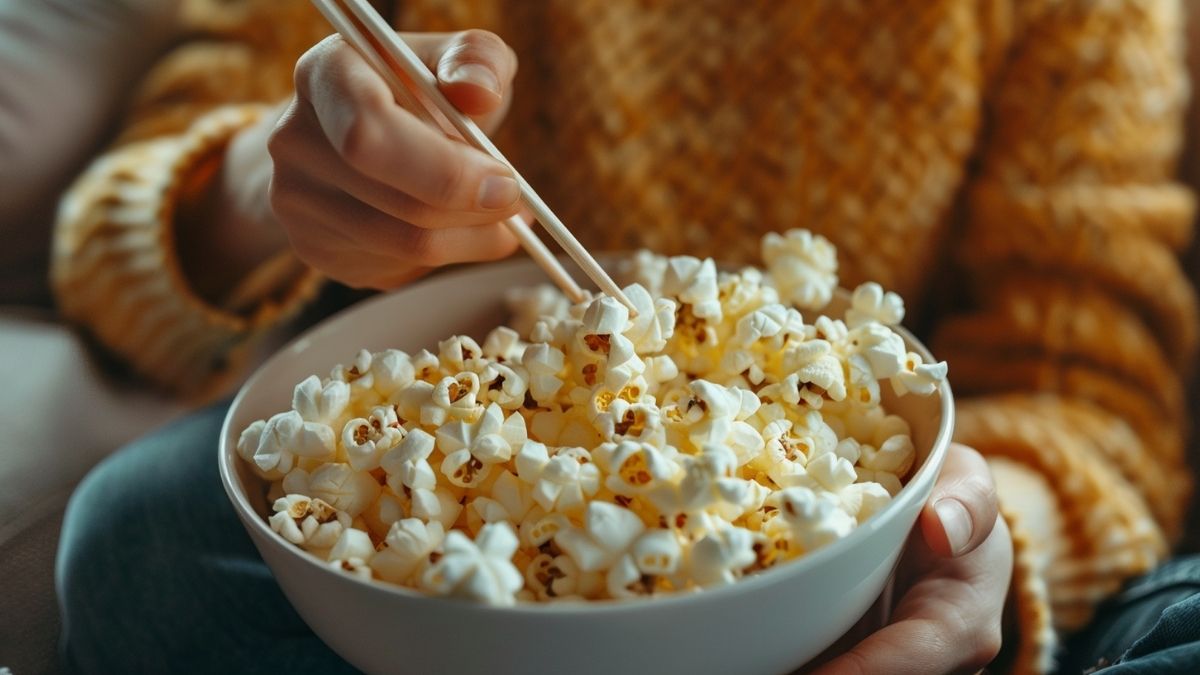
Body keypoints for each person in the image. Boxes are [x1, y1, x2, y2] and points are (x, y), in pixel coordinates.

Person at [51, 1, 1197, 673]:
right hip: (459, 549)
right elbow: (111, 253)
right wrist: (266, 185)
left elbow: (1089, 377)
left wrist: (966, 548)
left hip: (847, 569)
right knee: (136, 545)